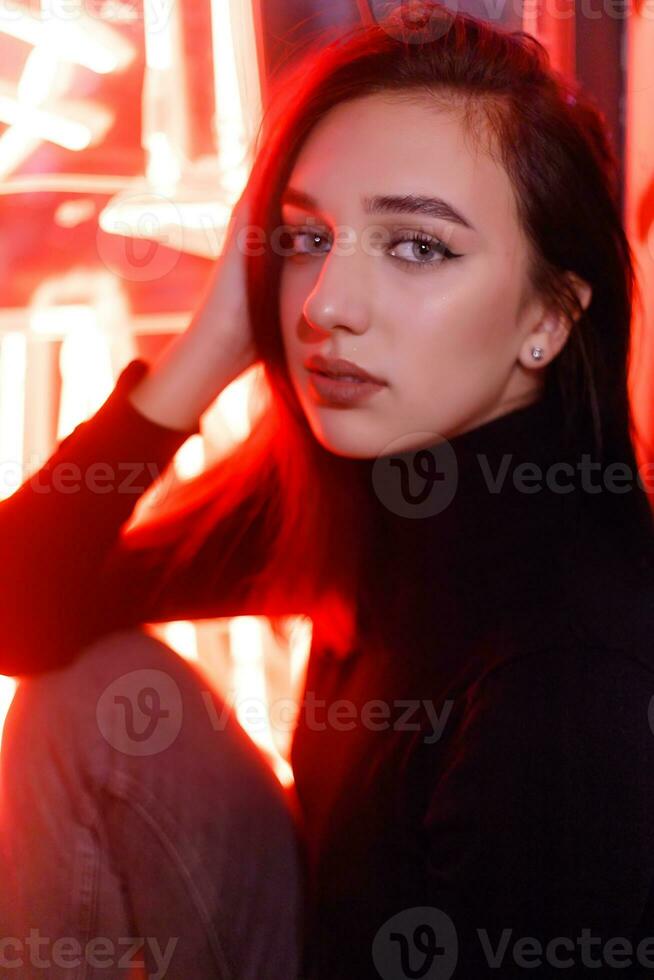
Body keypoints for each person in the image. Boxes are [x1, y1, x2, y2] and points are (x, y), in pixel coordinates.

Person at [2, 2, 654, 977]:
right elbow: (23, 615)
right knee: (84, 698)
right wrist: (211, 342)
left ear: (550, 317)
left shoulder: (572, 666)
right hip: (321, 939)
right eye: (306, 239)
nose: (326, 307)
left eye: (418, 246)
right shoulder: (377, 478)